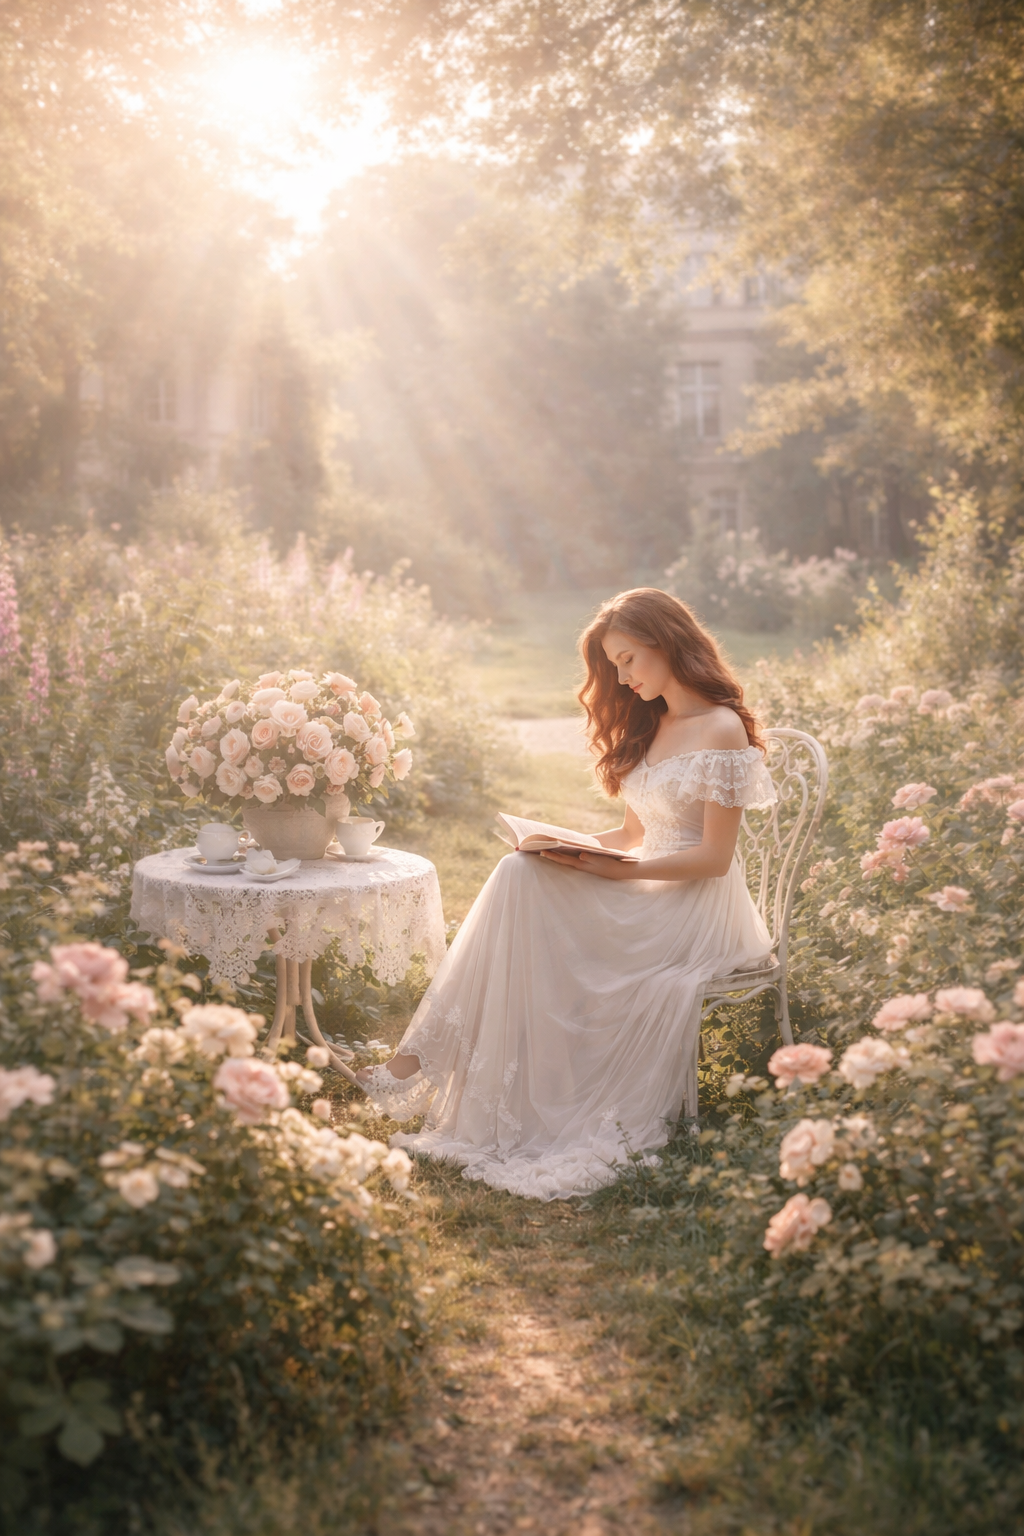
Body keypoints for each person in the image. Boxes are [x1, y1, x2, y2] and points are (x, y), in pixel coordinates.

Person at [358, 588, 776, 1200]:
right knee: (521, 872)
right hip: (645, 886)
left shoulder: (721, 727)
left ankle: (418, 1063)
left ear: (668, 642)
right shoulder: (654, 723)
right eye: (614, 665)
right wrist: (566, 846)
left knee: (518, 882)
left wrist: (615, 873)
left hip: (692, 909)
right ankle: (424, 1060)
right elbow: (635, 834)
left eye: (628, 659)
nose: (622, 676)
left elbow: (713, 859)